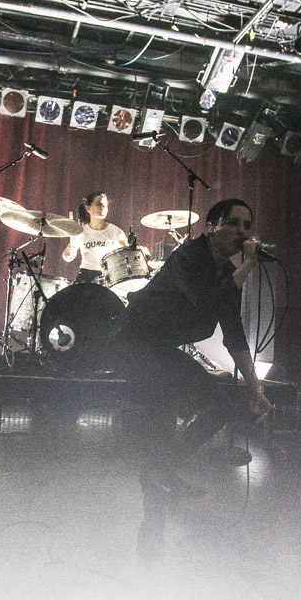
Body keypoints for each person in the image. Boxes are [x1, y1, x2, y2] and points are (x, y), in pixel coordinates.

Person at [112, 198, 273, 556]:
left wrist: (256, 388)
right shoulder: (188, 257)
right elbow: (206, 301)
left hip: (159, 347)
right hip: (134, 343)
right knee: (163, 414)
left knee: (218, 403)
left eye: (247, 226)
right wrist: (248, 264)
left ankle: (162, 471)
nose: (242, 232)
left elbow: (234, 335)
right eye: (233, 223)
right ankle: (152, 526)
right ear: (211, 226)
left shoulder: (226, 272)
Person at [61, 191, 128, 284]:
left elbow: (128, 254)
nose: (103, 207)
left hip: (108, 277)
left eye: (105, 205)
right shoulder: (81, 231)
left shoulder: (115, 231)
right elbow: (68, 256)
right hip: (85, 276)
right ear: (88, 208)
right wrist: (67, 255)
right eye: (98, 204)